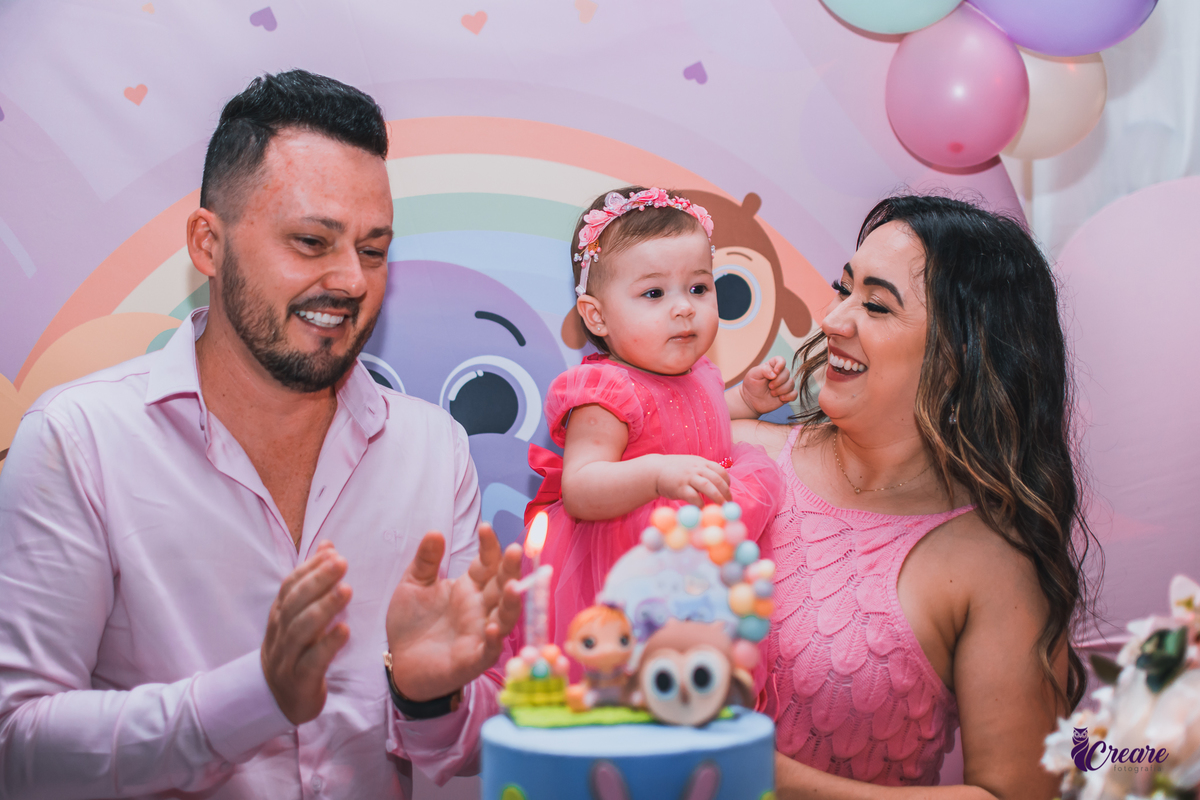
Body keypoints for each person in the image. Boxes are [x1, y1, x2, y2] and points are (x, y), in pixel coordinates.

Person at [0, 70, 522, 800]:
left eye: (373, 250)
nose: (350, 280)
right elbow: (17, 745)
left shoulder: (434, 449)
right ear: (208, 244)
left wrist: (426, 697)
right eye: (312, 241)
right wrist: (255, 695)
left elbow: (472, 744)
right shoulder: (77, 439)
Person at [734, 195, 1095, 798]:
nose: (833, 320)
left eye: (875, 304)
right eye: (843, 289)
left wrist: (762, 777)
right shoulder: (738, 460)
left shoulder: (995, 560)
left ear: (961, 354)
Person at [527, 186, 794, 660]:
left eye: (699, 287)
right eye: (654, 293)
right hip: (633, 565)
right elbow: (581, 488)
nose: (684, 306)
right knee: (639, 671)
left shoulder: (700, 374)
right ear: (597, 315)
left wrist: (748, 400)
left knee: (705, 663)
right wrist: (656, 474)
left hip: (699, 559)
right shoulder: (606, 392)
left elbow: (700, 414)